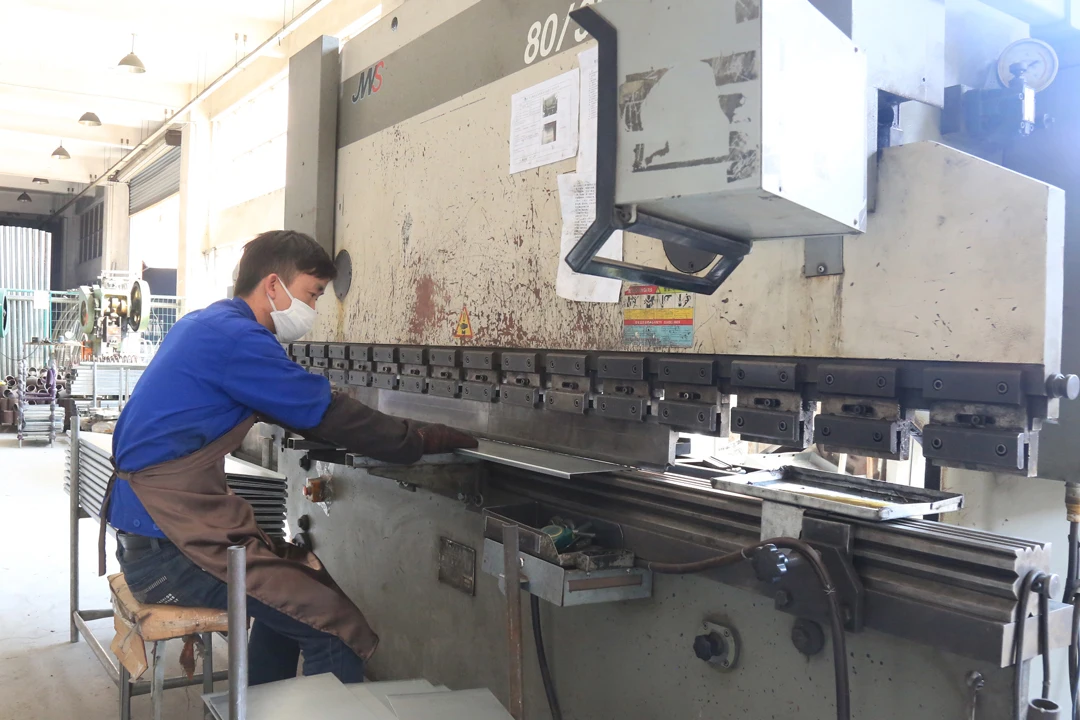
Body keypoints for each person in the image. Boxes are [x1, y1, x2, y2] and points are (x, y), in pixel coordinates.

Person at [100, 230, 478, 685]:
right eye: (313, 294)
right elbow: (326, 413)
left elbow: (299, 408)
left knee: (301, 594)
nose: (314, 309)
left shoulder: (207, 323)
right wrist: (416, 441)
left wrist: (387, 428)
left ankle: (263, 708)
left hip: (152, 541)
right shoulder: (238, 339)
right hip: (171, 556)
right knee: (335, 627)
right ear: (273, 285)